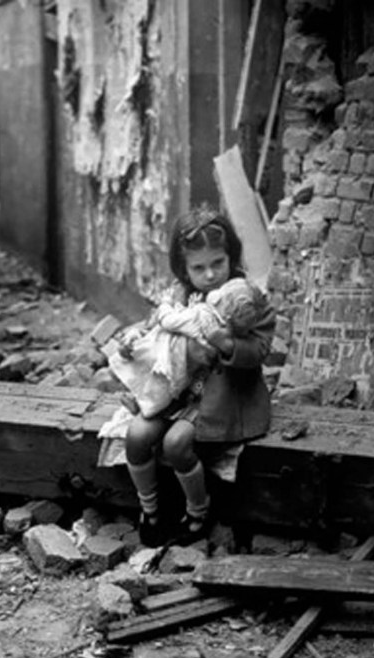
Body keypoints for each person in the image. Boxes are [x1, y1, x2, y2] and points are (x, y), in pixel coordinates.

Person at [122, 206, 275, 548]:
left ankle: (198, 512)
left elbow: (261, 348)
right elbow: (155, 325)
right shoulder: (178, 295)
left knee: (175, 444)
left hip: (222, 395)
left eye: (217, 263)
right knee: (136, 436)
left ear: (230, 256)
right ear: (184, 268)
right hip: (175, 389)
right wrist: (133, 339)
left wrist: (227, 343)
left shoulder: (245, 296)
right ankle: (151, 509)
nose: (210, 275)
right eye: (198, 267)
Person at [108, 275, 266, 419]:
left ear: (220, 301)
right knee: (159, 392)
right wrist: (193, 307)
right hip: (184, 374)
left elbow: (168, 321)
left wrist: (165, 302)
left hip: (166, 355)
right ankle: (140, 403)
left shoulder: (201, 317)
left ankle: (131, 393)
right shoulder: (223, 331)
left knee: (134, 364)